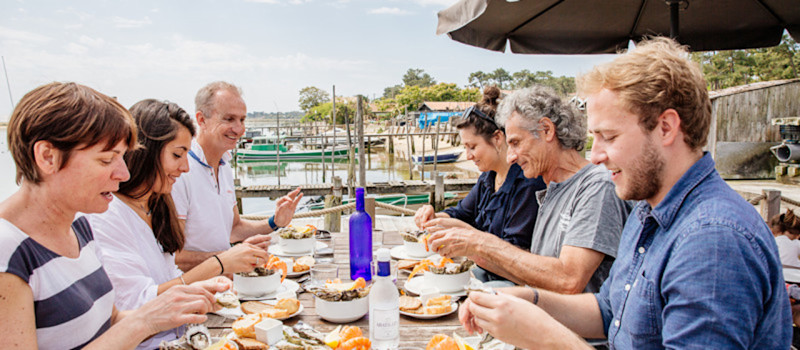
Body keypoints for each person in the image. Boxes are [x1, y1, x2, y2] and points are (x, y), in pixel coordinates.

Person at [459, 37, 791, 349]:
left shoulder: (713, 240)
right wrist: (527, 300)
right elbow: (608, 310)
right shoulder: (647, 210)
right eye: (595, 137)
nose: (596, 155)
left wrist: (546, 336)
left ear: (666, 127)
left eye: (609, 136)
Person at [0, 82, 227, 349]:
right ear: (48, 156)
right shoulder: (9, 254)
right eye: (107, 160)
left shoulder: (79, 227)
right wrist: (144, 322)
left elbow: (111, 321)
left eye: (122, 158)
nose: (124, 174)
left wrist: (165, 309)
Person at [87, 99, 273, 348]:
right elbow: (138, 306)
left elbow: (168, 273)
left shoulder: (154, 206)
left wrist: (206, 292)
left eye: (186, 155)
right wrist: (218, 264)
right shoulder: (108, 216)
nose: (185, 167)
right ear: (144, 151)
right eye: (177, 155)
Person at [427, 85, 629, 294]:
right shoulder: (551, 190)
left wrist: (480, 243)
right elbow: (531, 277)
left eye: (515, 143)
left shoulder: (596, 187)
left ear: (547, 130)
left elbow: (568, 280)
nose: (510, 157)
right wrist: (471, 248)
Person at [414, 86, 546, 285]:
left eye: (473, 147)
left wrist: (466, 234)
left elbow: (516, 256)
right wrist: (434, 216)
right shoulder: (488, 177)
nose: (468, 156)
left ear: (497, 138)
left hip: (513, 284)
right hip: (484, 273)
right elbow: (461, 213)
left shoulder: (527, 182)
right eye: (465, 147)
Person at [172, 81, 303, 271]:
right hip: (195, 289)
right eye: (229, 119)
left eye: (242, 120)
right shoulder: (180, 171)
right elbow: (176, 256)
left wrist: (275, 222)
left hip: (226, 278)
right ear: (201, 120)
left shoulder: (224, 163)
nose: (239, 129)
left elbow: (233, 229)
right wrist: (231, 256)